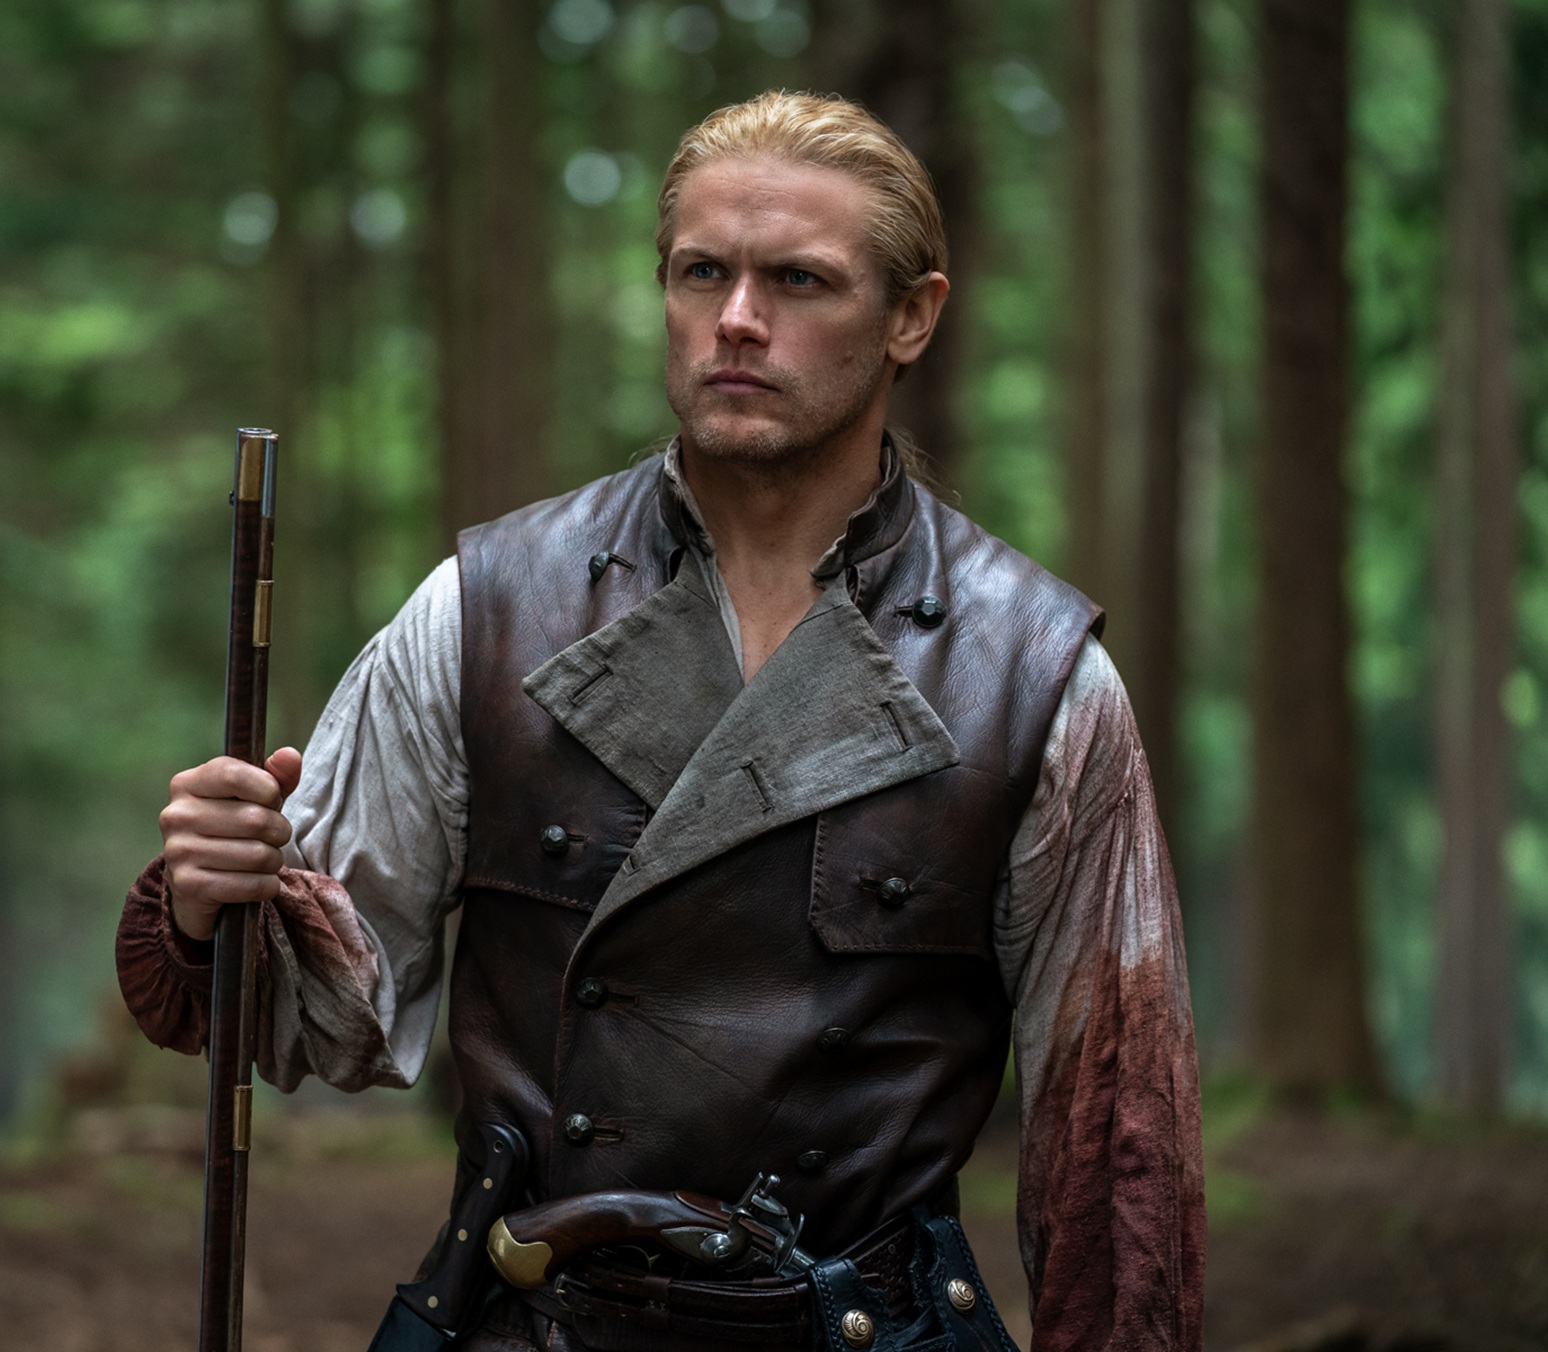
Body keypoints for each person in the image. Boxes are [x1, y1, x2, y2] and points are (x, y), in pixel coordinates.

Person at [117, 91, 1204, 1352]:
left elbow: (1116, 1150)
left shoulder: (1036, 671)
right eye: (703, 272)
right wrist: (213, 897)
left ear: (912, 316)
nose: (737, 317)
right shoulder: (485, 609)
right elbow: (312, 1015)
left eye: (799, 279)